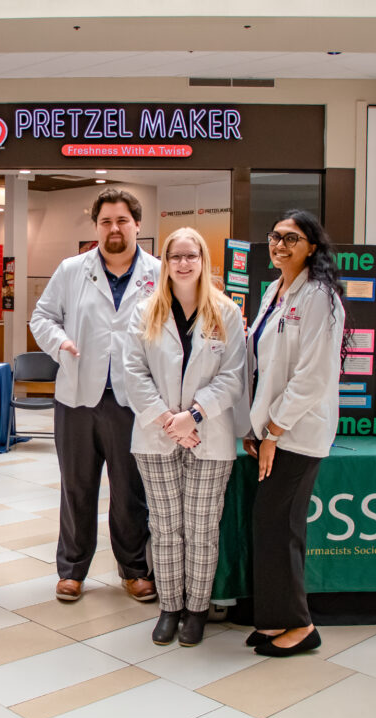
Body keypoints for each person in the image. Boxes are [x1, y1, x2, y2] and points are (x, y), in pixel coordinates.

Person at [31, 188, 160, 603]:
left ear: (137, 224)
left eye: (122, 220)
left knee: (130, 490)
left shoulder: (158, 274)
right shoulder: (72, 269)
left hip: (132, 401)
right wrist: (60, 342)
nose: (114, 228)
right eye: (105, 222)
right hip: (77, 399)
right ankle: (71, 570)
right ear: (96, 227)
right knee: (77, 488)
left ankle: (134, 569)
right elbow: (41, 316)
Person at [124, 227, 245, 646]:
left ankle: (196, 609)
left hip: (208, 436)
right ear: (165, 262)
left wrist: (193, 416)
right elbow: (132, 373)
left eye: (191, 255)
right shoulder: (145, 311)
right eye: (175, 256)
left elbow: (233, 377)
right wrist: (167, 420)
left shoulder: (226, 313)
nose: (183, 263)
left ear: (203, 260)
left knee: (201, 528)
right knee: (165, 527)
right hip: (157, 437)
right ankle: (169, 607)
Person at [241, 209, 346, 657]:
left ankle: (301, 626)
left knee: (282, 526)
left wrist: (274, 431)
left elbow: (313, 375)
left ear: (313, 248)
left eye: (292, 238)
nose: (280, 244)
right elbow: (261, 364)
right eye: (275, 236)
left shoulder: (320, 296)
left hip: (297, 432)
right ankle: (272, 619)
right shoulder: (274, 289)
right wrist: (255, 425)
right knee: (268, 525)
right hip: (272, 428)